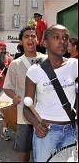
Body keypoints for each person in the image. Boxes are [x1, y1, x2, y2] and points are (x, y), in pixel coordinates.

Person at [23, 24, 78, 162]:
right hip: (47, 132)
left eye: (65, 38)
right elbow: (26, 108)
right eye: (56, 37)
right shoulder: (34, 71)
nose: (62, 41)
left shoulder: (74, 65)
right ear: (45, 43)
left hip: (71, 130)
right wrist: (36, 124)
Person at [3, 26, 47, 162]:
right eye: (26, 36)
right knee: (24, 152)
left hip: (45, 114)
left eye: (33, 36)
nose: (30, 39)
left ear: (37, 40)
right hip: (24, 116)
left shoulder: (47, 60)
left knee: (45, 151)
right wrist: (14, 96)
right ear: (21, 41)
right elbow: (7, 87)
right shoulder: (15, 64)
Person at [0, 41, 13, 141]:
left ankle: (5, 130)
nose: (4, 51)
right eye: (2, 49)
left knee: (5, 111)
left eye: (5, 49)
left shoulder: (10, 60)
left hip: (8, 89)